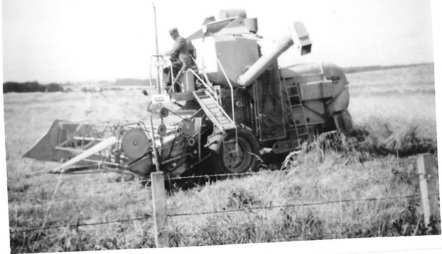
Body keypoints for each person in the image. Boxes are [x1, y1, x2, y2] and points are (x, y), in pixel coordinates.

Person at [163, 28, 196, 93]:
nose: (171, 36)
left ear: (176, 33)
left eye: (172, 34)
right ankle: (171, 87)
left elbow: (174, 50)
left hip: (184, 62)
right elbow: (175, 53)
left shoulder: (181, 40)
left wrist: (165, 53)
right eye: (171, 35)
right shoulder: (178, 41)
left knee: (171, 69)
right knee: (167, 70)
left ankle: (170, 87)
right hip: (181, 61)